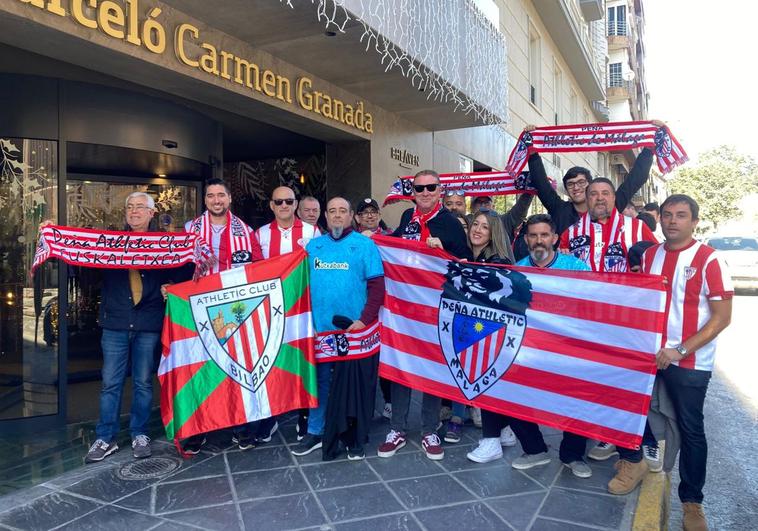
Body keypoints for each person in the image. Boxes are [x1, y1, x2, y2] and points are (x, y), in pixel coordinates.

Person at [622, 195, 732, 530]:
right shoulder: (650, 254)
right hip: (649, 355)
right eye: (667, 215)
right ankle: (638, 463)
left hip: (690, 361)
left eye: (681, 216)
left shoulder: (710, 260)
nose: (672, 221)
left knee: (691, 429)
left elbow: (722, 318)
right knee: (634, 411)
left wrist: (680, 350)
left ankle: (692, 502)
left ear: (694, 221)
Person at [466, 214, 594, 479]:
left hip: (567, 348)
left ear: (555, 239)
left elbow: (590, 304)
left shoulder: (576, 266)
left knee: (577, 398)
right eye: (533, 235)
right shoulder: (517, 271)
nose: (539, 241)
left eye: (544, 235)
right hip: (529, 347)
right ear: (526, 240)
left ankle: (572, 455)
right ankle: (535, 450)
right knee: (511, 391)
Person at [378, 169, 472, 461]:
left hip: (435, 308)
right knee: (401, 365)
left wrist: (443, 251)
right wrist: (374, 239)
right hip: (404, 308)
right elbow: (393, 246)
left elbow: (464, 264)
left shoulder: (451, 224)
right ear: (413, 192)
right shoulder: (407, 218)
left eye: (431, 187)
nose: (425, 192)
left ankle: (430, 429)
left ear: (440, 189)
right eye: (419, 188)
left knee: (431, 367)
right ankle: (397, 429)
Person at [82, 192, 174, 462]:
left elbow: (178, 272)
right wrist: (52, 234)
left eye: (140, 208)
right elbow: (85, 263)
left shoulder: (165, 244)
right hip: (116, 323)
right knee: (110, 383)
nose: (134, 212)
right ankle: (105, 438)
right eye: (130, 207)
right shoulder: (110, 243)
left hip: (148, 322)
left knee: (144, 383)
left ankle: (139, 434)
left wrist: (169, 285)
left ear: (151, 213)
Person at [291, 198, 385, 460]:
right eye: (332, 211)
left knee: (353, 387)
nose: (337, 216)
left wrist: (364, 320)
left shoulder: (365, 245)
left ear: (352, 216)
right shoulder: (314, 247)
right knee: (319, 383)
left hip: (353, 331)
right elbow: (298, 285)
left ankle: (353, 436)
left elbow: (377, 288)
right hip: (320, 330)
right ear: (326, 216)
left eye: (343, 211)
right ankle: (315, 431)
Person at [182, 178, 263, 453]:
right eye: (211, 196)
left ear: (229, 199)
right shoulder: (189, 230)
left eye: (221, 196)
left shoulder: (247, 232)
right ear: (205, 201)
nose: (216, 200)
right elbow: (179, 269)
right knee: (201, 370)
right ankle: (198, 430)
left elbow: (258, 270)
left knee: (236, 370)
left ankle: (242, 429)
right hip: (198, 311)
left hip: (234, 311)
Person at [514, 122, 662, 260]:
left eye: (581, 182)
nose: (576, 187)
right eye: (570, 184)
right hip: (574, 280)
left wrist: (649, 148)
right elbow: (541, 183)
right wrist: (532, 152)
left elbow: (635, 180)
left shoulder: (610, 204)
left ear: (590, 185)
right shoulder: (560, 210)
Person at [444, 210, 515, 445]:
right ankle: (499, 429)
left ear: (493, 233)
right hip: (469, 328)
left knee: (488, 381)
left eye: (485, 227)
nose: (477, 230)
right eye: (476, 224)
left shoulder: (498, 261)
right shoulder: (466, 256)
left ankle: (497, 435)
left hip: (490, 333)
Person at [257, 186, 320, 441]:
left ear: (296, 205)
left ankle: (305, 414)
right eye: (279, 201)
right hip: (270, 311)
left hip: (302, 309)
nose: (284, 205)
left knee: (303, 360)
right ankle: (269, 416)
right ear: (271, 205)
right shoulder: (259, 235)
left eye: (289, 201)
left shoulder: (312, 232)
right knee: (269, 361)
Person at [559, 177, 657, 272]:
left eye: (605, 193)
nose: (600, 198)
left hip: (623, 288)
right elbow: (559, 268)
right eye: (593, 194)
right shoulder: (570, 232)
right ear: (587, 199)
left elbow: (658, 259)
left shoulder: (638, 227)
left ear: (614, 197)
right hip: (583, 288)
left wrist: (645, 268)